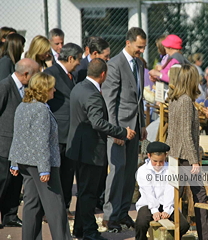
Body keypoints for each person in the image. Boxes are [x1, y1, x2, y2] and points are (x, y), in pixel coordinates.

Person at [66, 58, 135, 240]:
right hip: (91, 152)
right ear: (103, 74)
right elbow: (98, 123)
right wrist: (122, 132)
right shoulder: (93, 94)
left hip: (78, 150)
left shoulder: (79, 87)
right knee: (89, 193)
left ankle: (80, 229)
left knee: (83, 191)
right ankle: (89, 231)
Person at [8, 72, 72, 240]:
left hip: (24, 162)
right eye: (51, 87)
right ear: (44, 90)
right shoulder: (41, 109)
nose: (55, 90)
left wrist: (14, 163)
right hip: (41, 163)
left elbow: (17, 136)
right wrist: (45, 169)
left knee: (32, 204)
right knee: (55, 207)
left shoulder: (22, 106)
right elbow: (42, 141)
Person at [102, 27, 147, 232]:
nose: (141, 51)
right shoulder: (115, 64)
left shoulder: (139, 64)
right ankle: (109, 216)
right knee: (117, 170)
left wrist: (143, 124)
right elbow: (109, 101)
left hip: (135, 128)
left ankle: (122, 213)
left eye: (144, 47)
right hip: (120, 128)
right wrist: (114, 130)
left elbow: (140, 97)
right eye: (139, 47)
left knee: (130, 172)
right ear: (128, 43)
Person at [166, 64, 208, 240]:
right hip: (185, 155)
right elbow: (186, 134)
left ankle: (180, 232)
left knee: (176, 196)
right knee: (199, 195)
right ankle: (206, 236)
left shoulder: (174, 98)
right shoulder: (185, 100)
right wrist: (194, 160)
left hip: (175, 153)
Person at [45, 43, 83, 219]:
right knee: (56, 172)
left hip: (71, 132)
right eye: (78, 60)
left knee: (68, 172)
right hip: (58, 132)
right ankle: (51, 210)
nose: (79, 64)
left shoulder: (72, 75)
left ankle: (65, 207)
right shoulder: (50, 74)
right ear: (70, 58)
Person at [0, 58, 39, 229]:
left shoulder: (25, 88)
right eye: (36, 74)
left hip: (18, 147)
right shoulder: (5, 86)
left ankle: (10, 215)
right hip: (4, 145)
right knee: (3, 181)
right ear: (26, 74)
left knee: (14, 183)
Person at [135, 141, 190, 240]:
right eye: (155, 161)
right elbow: (148, 192)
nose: (158, 164)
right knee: (140, 224)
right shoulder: (142, 171)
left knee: (184, 225)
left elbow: (170, 190)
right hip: (148, 204)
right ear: (149, 156)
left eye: (161, 161)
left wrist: (167, 209)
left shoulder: (171, 169)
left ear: (166, 156)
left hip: (167, 204)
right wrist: (155, 210)